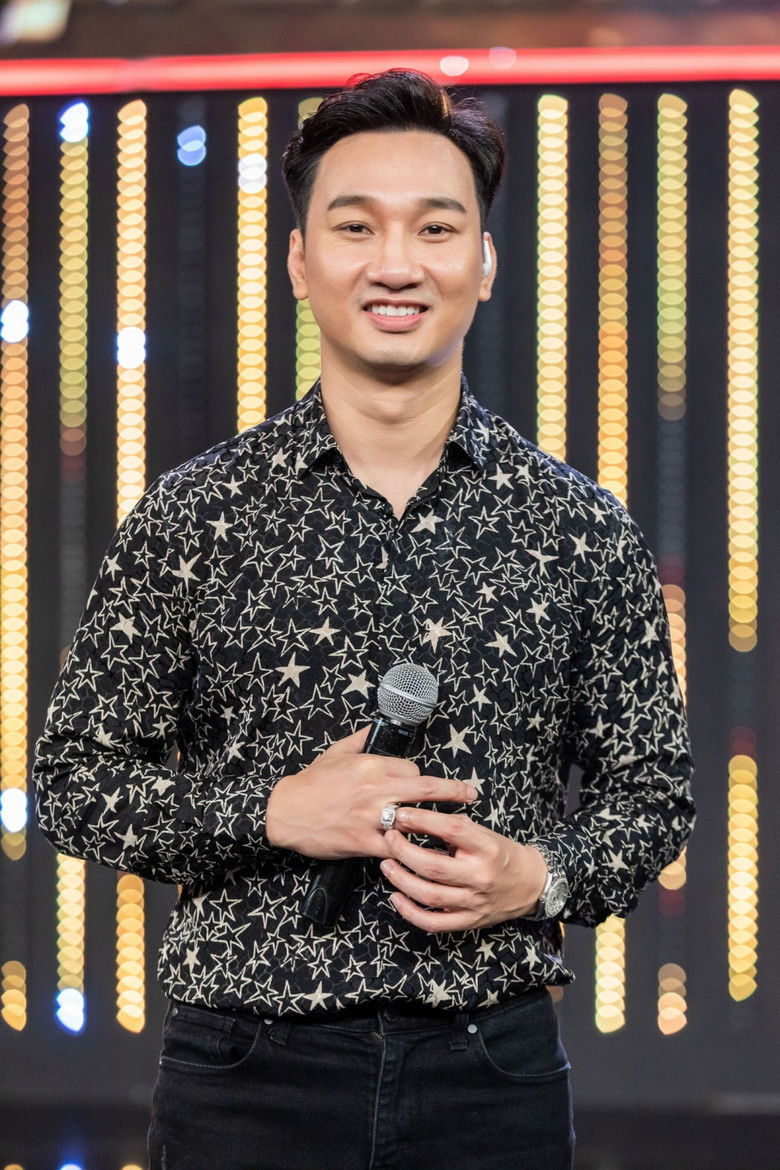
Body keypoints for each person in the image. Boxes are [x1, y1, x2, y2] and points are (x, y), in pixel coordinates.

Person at [32, 69, 695, 1170]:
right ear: (301, 262)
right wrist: (272, 811)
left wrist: (541, 877)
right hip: (244, 1067)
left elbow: (653, 793)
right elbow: (75, 781)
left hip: (492, 1066)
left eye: (436, 228)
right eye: (356, 226)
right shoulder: (198, 514)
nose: (397, 263)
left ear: (484, 261)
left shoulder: (577, 526)